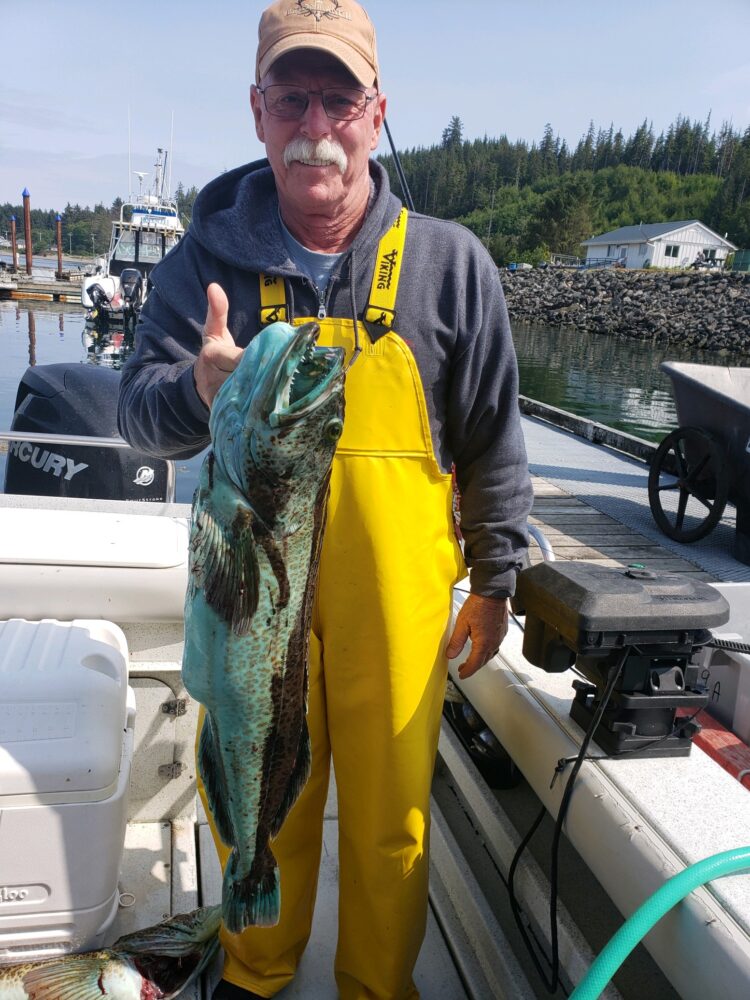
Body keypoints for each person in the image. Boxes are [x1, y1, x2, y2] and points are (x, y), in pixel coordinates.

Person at [117, 2, 533, 997]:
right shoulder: (201, 264)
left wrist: (499, 575)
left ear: (375, 110)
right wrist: (199, 391)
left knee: (393, 818)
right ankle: (257, 971)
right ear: (257, 112)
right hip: (254, 605)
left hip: (394, 606)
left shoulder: (449, 264)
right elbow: (137, 413)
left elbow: (491, 437)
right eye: (292, 96)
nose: (316, 120)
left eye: (338, 97)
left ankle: (379, 986)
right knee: (265, 799)